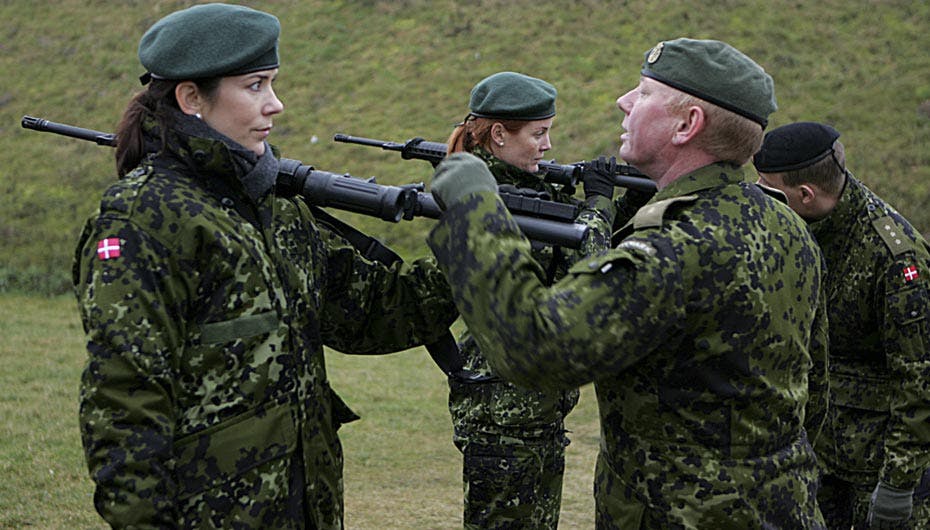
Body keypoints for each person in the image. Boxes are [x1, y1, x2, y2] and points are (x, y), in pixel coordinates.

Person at [72, 4, 458, 528]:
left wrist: (476, 249)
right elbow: (125, 405)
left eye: (272, 83)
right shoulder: (144, 220)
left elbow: (379, 311)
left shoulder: (277, 210)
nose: (276, 105)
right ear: (191, 98)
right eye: (255, 86)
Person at [426, 38, 830, 528]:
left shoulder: (676, 248)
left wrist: (473, 207)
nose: (624, 102)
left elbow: (532, 347)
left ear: (688, 124)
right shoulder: (784, 225)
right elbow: (814, 389)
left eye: (643, 93)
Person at [442, 71, 616, 529]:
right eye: (538, 134)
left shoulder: (528, 190)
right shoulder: (492, 200)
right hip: (503, 415)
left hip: (534, 410)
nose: (548, 146)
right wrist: (600, 204)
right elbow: (591, 272)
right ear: (499, 135)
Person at [753, 121, 930, 530]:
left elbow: (919, 379)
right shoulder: (794, 231)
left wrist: (898, 485)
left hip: (880, 467)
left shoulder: (894, 257)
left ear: (805, 194)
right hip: (820, 457)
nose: (759, 198)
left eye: (768, 190)